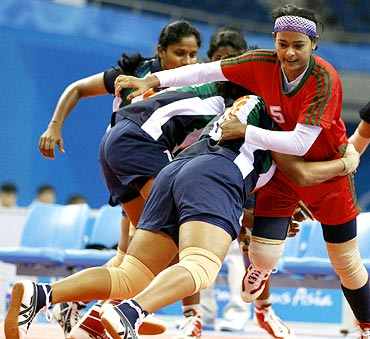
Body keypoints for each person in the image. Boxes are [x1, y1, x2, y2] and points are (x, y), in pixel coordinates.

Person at [4, 94, 359, 339]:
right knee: (201, 267)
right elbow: (302, 176)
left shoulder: (248, 104)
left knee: (131, 273)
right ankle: (128, 314)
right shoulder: (286, 129)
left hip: (177, 170)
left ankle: (42, 294)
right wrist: (347, 161)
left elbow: (261, 199)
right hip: (216, 175)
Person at [113, 4, 370, 337]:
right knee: (261, 255)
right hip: (281, 170)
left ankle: (366, 326)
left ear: (314, 44)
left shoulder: (324, 79)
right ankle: (260, 274)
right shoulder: (260, 62)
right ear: (274, 41)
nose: (289, 52)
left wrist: (246, 132)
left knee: (345, 263)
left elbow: (301, 143)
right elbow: (205, 72)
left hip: (326, 172)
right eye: (282, 43)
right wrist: (151, 78)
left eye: (298, 45)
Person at [37, 20, 202, 339]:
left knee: (135, 251)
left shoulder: (194, 81)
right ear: (161, 51)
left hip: (134, 161)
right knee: (170, 238)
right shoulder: (136, 71)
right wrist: (54, 126)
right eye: (179, 53)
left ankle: (78, 305)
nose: (186, 61)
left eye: (193, 54)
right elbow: (77, 89)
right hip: (132, 153)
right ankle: (128, 311)